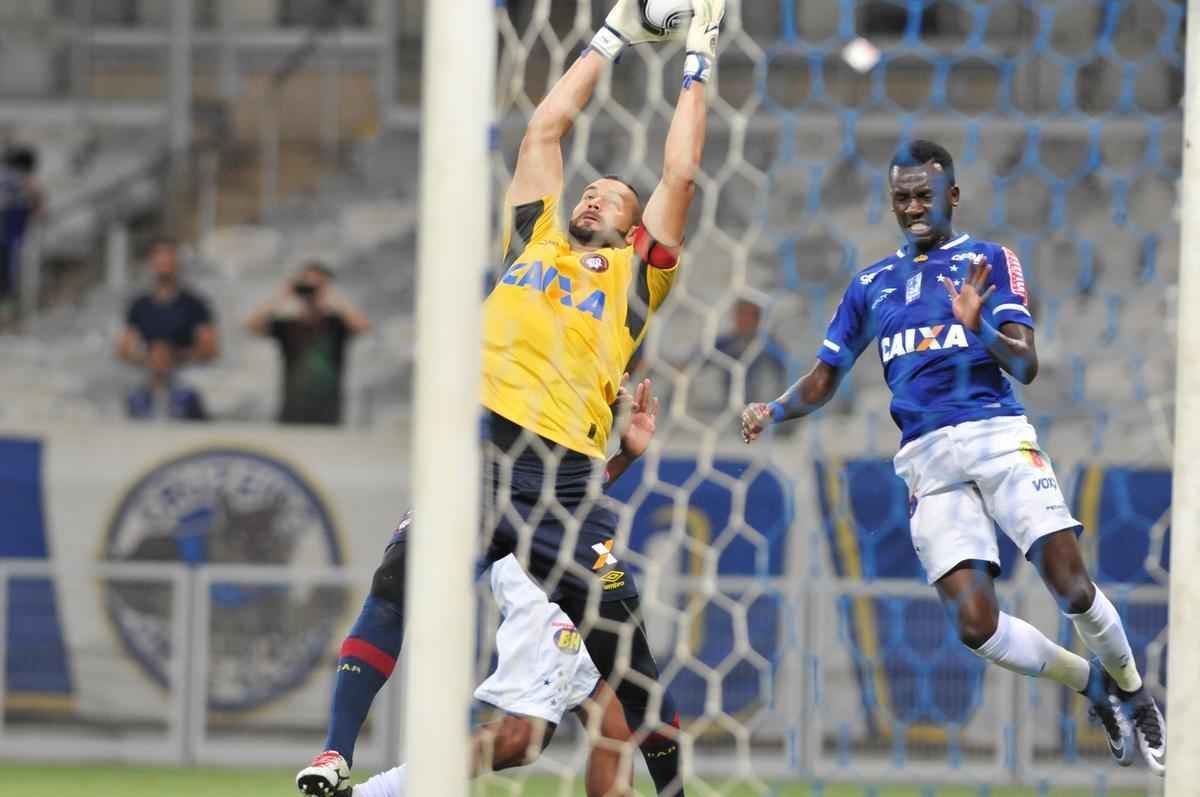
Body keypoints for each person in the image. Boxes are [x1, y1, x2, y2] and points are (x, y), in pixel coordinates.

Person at [297, 2, 725, 794]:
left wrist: (697, 59)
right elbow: (545, 130)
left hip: (563, 480)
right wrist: (611, 36)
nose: (593, 198)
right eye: (588, 192)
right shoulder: (534, 241)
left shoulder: (639, 278)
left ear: (636, 230)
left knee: (624, 655)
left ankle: (669, 790)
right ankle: (332, 754)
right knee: (397, 586)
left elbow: (680, 174)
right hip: (479, 454)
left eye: (612, 198)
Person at [741, 140, 1165, 776]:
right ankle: (1094, 686)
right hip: (926, 462)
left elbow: (1025, 362)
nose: (913, 207)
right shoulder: (870, 285)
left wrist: (977, 326)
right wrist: (773, 409)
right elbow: (826, 376)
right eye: (901, 197)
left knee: (1072, 587)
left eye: (924, 195)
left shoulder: (988, 261)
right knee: (975, 626)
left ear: (953, 196)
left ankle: (1136, 693)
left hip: (997, 436)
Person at [336, 377, 662, 797]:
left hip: (564, 552)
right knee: (520, 737)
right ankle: (372, 795)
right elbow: (538, 487)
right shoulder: (529, 377)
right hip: (540, 569)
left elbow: (567, 491)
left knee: (614, 720)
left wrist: (624, 455)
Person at [245, 262, 371, 426]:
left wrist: (333, 299)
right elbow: (252, 326)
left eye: (318, 286)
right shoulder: (288, 325)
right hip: (292, 406)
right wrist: (282, 295)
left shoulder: (337, 324)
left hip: (328, 407)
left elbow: (363, 327)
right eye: (307, 284)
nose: (311, 290)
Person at [116, 237, 219, 374]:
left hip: (185, 372)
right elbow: (124, 349)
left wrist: (174, 356)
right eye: (158, 255)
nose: (164, 260)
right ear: (151, 262)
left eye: (169, 255)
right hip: (149, 372)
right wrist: (150, 358)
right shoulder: (139, 305)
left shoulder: (195, 304)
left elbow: (210, 349)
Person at [0, 144, 46, 313]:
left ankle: (10, 301)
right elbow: (38, 206)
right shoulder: (20, 180)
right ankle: (10, 301)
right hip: (12, 235)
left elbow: (37, 206)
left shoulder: (10, 179)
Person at [125, 340, 208, 421]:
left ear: (171, 361)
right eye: (155, 359)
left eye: (163, 358)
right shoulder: (135, 397)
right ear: (147, 361)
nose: (159, 364)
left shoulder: (188, 396)